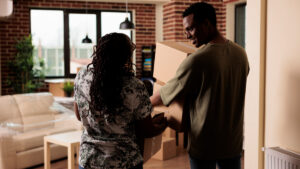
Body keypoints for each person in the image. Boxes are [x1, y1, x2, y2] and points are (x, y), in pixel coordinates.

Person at [150, 2, 249, 169]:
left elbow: (165, 94)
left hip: (205, 144)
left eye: (191, 29)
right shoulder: (241, 54)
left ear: (207, 24)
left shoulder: (197, 60)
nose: (187, 35)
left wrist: (141, 106)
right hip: (233, 142)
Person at [74, 33, 167, 169]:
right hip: (124, 163)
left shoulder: (82, 77)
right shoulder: (134, 86)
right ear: (125, 57)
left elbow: (78, 116)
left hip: (89, 161)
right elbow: (146, 130)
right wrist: (162, 125)